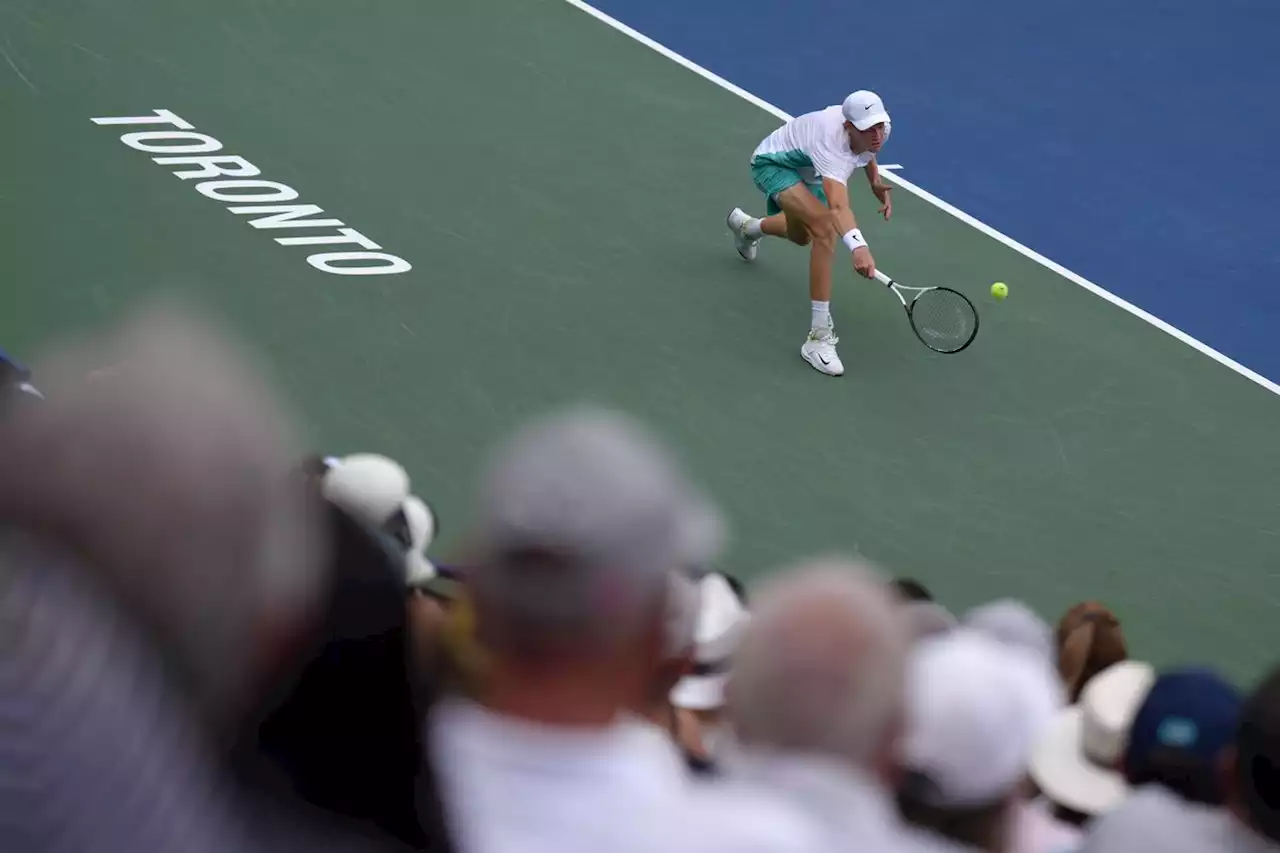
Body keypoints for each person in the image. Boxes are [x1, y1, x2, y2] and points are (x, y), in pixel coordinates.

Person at [726, 91, 894, 377]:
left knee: (802, 236)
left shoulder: (872, 131)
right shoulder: (830, 143)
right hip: (774, 164)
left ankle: (748, 228)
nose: (877, 135)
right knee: (824, 229)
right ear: (848, 127)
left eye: (880, 126)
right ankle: (818, 338)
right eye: (869, 130)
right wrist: (858, 247)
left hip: (810, 171)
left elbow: (867, 152)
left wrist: (875, 181)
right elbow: (839, 206)